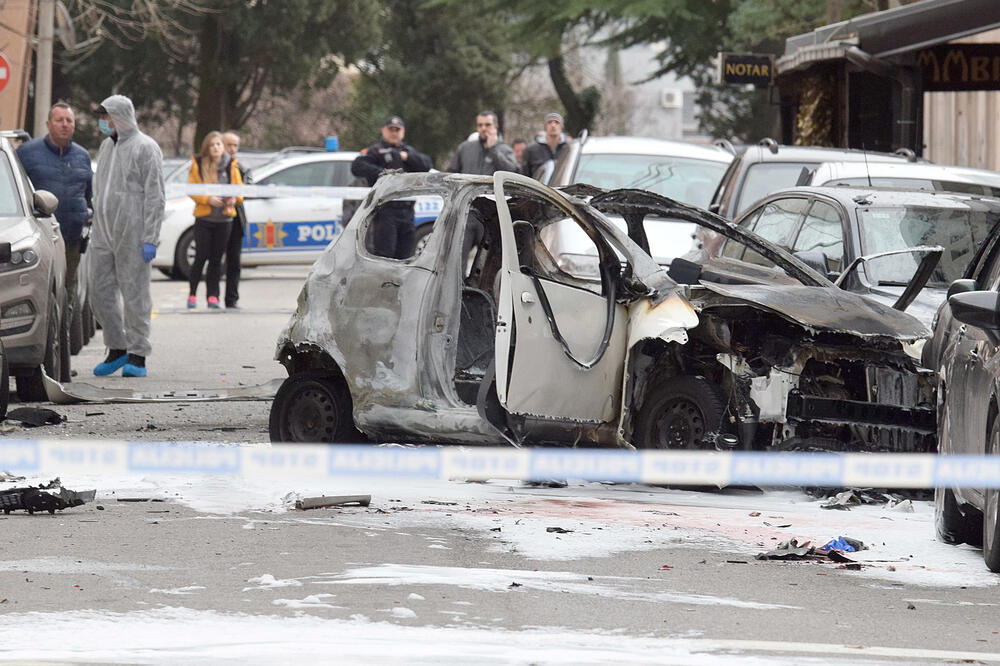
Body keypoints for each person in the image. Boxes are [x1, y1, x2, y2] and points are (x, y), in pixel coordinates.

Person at [89, 94, 166, 378]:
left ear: (120, 116)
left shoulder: (146, 147)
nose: (103, 121)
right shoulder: (106, 148)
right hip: (103, 233)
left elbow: (156, 195)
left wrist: (150, 236)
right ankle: (117, 348)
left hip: (133, 233)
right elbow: (101, 190)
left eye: (107, 115)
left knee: (135, 295)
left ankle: (138, 354)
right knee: (99, 291)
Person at [16, 102, 93, 318]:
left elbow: (89, 196)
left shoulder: (82, 156)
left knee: (67, 292)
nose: (65, 125)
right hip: (41, 237)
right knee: (42, 291)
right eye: (60, 120)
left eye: (69, 121)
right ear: (48, 124)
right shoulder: (27, 153)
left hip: (72, 237)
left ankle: (62, 340)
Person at [351, 115, 432, 259]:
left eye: (397, 129)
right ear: (383, 131)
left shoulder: (407, 151)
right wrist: (383, 173)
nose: (394, 133)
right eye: (391, 129)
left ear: (403, 132)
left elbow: (426, 165)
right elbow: (357, 166)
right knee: (384, 255)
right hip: (385, 211)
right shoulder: (376, 151)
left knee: (406, 256)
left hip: (407, 211)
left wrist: (405, 157)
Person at [187, 131, 243, 309]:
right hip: (204, 218)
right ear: (207, 148)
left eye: (218, 144)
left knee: (217, 260)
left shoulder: (231, 165)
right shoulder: (198, 164)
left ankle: (213, 296)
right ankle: (192, 293)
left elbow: (240, 191)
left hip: (224, 220)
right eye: (212, 145)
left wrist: (233, 199)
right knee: (201, 256)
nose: (216, 148)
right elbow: (191, 189)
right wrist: (207, 199)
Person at [222, 131, 248, 308]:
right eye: (228, 144)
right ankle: (212, 297)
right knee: (214, 260)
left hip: (236, 218)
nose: (231, 149)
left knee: (234, 261)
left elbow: (248, 187)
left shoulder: (241, 168)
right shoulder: (212, 167)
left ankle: (232, 298)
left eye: (235, 145)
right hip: (215, 217)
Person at [447, 111, 518, 175]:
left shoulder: (506, 150)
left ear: (496, 126)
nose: (483, 128)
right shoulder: (464, 148)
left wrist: (493, 150)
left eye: (488, 125)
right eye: (480, 125)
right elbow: (451, 173)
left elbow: (512, 173)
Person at [522, 111, 569, 179]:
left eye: (557, 122)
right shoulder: (531, 150)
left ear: (561, 126)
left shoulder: (568, 149)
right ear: (545, 126)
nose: (553, 125)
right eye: (549, 122)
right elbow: (525, 176)